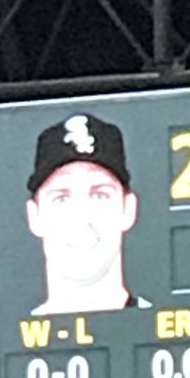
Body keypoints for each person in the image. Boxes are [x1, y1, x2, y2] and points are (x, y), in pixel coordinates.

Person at [25, 113, 147, 316]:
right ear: (34, 216)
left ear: (128, 209)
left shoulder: (163, 326)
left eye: (99, 195)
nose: (80, 216)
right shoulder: (4, 333)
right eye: (61, 198)